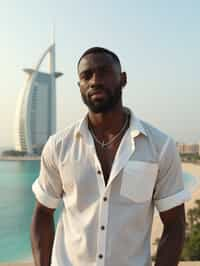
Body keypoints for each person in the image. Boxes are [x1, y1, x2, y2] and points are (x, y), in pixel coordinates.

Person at [31, 47, 190, 266]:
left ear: (122, 79)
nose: (95, 80)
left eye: (104, 72)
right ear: (80, 86)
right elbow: (43, 213)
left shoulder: (160, 146)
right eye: (86, 76)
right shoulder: (58, 146)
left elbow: (175, 225)